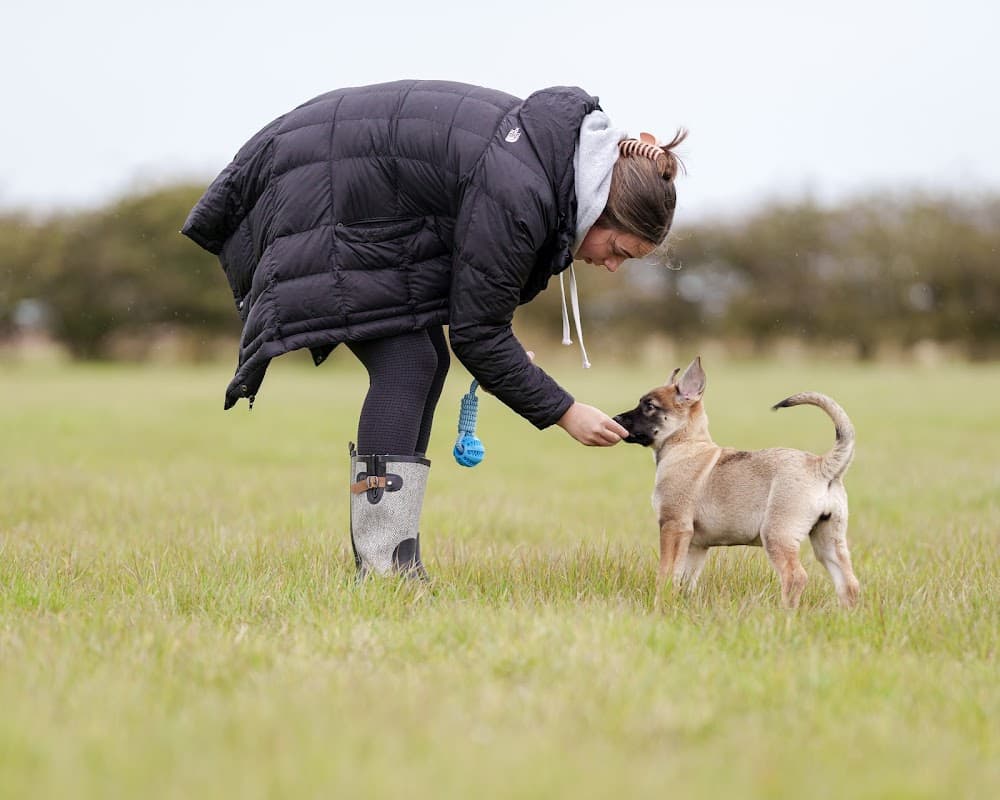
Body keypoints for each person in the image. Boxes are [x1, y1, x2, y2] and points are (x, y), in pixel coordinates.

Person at [182, 79, 686, 578]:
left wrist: (502, 350)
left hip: (353, 187)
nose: (612, 266)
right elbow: (477, 335)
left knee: (424, 362)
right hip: (322, 186)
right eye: (618, 250)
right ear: (598, 208)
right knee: (407, 366)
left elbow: (477, 307)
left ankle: (393, 563)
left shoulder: (546, 166)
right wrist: (565, 411)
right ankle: (383, 569)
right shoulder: (522, 190)